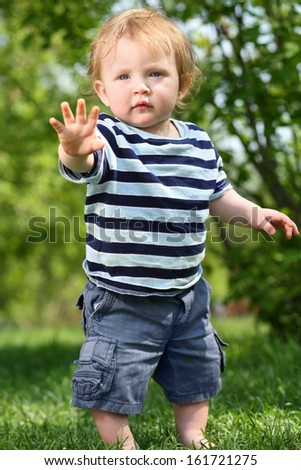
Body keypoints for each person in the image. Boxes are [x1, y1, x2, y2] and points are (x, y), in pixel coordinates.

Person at [49, 9, 299, 450]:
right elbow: (83, 166)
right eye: (123, 77)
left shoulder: (198, 144)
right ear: (104, 91)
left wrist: (256, 213)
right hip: (121, 296)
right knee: (112, 377)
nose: (141, 85)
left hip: (186, 295)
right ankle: (122, 447)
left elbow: (220, 196)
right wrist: (73, 149)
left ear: (182, 84)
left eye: (155, 73)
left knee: (197, 371)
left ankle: (192, 436)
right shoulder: (108, 137)